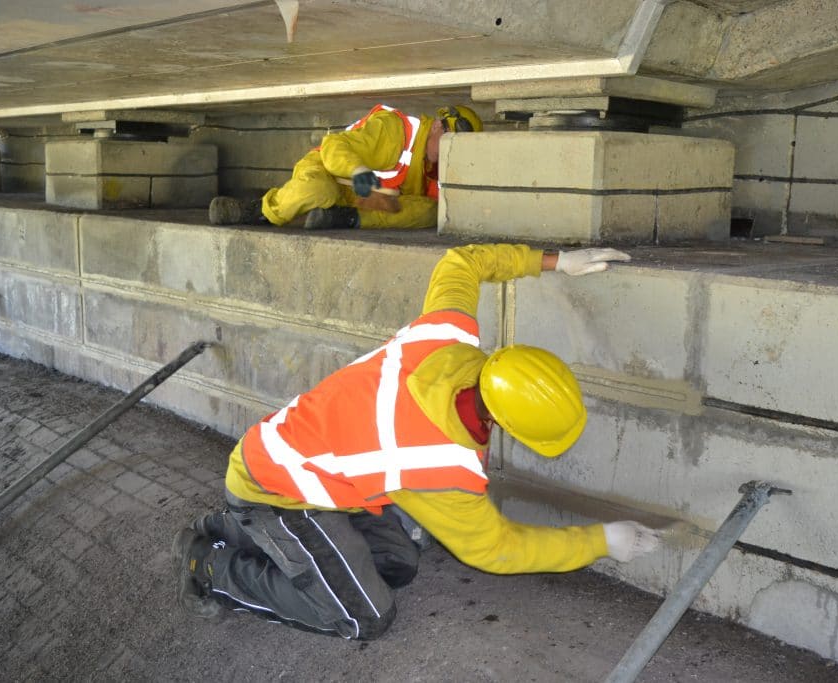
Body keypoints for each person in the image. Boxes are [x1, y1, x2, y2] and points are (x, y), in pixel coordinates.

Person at [172, 243, 661, 639]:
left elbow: (463, 261)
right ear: (508, 422)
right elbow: (497, 549)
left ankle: (233, 526)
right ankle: (210, 562)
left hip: (313, 464)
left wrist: (556, 261)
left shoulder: (448, 338)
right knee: (363, 617)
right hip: (273, 488)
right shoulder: (438, 468)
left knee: (398, 565)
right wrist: (601, 541)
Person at [208, 103, 483, 230]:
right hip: (330, 173)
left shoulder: (434, 169)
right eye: (449, 139)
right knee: (318, 192)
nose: (449, 149)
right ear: (436, 125)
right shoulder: (395, 131)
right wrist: (358, 171)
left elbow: (428, 207)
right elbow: (333, 147)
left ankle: (342, 219)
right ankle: (259, 211)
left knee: (430, 212)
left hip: (357, 201)